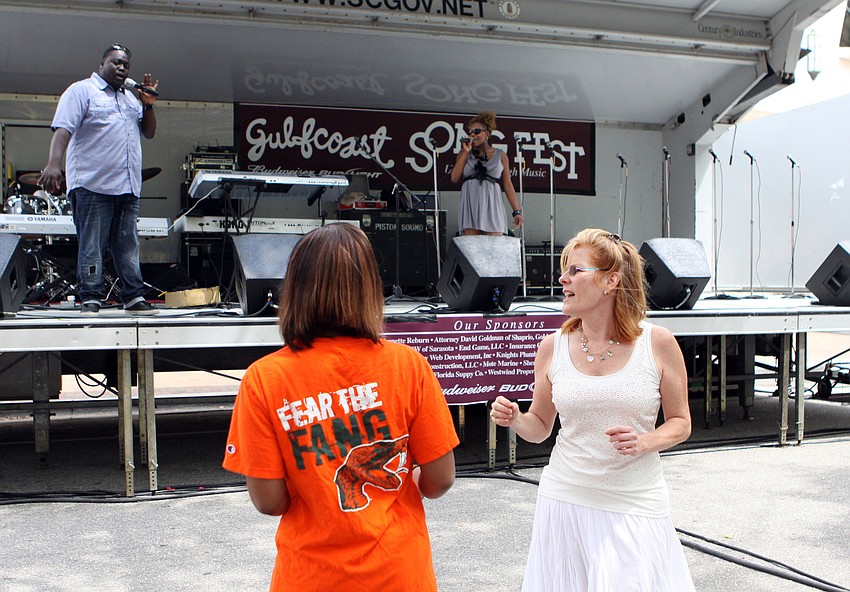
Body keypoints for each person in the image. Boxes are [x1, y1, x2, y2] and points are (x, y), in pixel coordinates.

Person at [222, 223, 458, 592]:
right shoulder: (409, 366)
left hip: (310, 578)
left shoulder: (263, 379)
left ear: (294, 289)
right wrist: (398, 484)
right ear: (369, 289)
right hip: (399, 574)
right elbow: (439, 479)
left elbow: (269, 502)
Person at [491, 228, 695, 591]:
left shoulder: (658, 342)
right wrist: (517, 419)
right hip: (564, 498)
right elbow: (540, 427)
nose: (562, 279)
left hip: (634, 502)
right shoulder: (551, 346)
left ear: (610, 281)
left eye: (575, 270)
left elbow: (680, 423)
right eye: (564, 270)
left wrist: (645, 441)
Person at [39, 44, 159, 315]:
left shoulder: (131, 100)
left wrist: (148, 105)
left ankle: (133, 296)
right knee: (92, 245)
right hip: (92, 185)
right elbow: (63, 129)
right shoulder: (82, 91)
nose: (122, 68)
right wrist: (54, 164)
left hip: (127, 186)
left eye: (126, 65)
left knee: (128, 246)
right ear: (102, 63)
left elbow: (149, 132)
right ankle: (91, 296)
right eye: (116, 62)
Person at [450, 111, 524, 235]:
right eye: (470, 132)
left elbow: (507, 184)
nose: (473, 134)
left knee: (494, 241)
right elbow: (454, 178)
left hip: (492, 201)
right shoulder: (464, 153)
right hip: (471, 201)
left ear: (487, 134)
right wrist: (465, 152)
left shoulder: (500, 155)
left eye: (477, 131)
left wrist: (516, 211)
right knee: (471, 243)